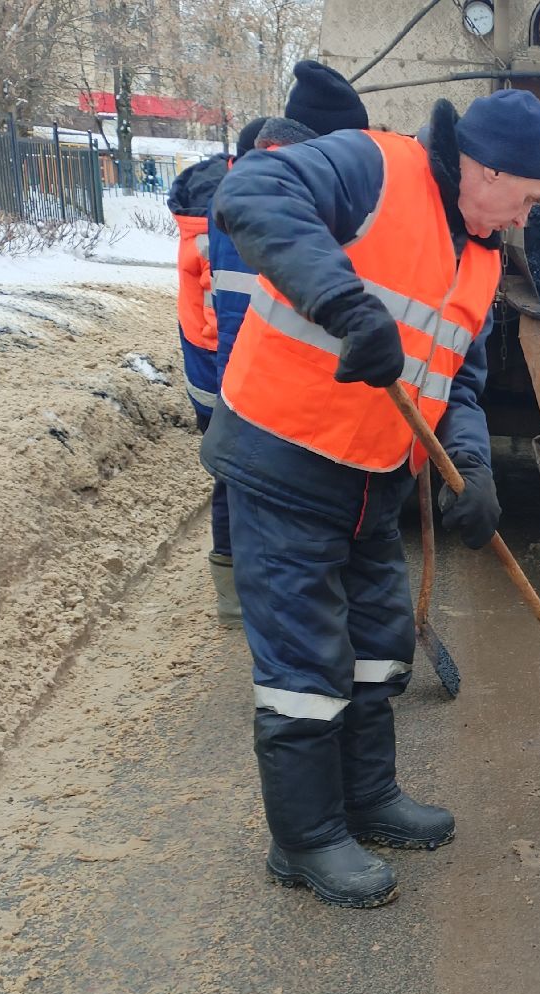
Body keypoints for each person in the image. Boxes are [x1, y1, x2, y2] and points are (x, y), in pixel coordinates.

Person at [203, 75, 540, 908]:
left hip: (373, 474)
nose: (525, 219)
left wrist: (467, 473)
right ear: (486, 169)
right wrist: (345, 304)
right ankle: (306, 839)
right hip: (287, 456)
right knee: (304, 659)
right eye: (526, 199)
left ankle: (368, 798)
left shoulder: (480, 254)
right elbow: (252, 189)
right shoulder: (375, 167)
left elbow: (458, 380)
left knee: (376, 642)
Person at [203, 116, 321, 624]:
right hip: (252, 362)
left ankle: (238, 593)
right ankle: (244, 595)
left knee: (237, 477)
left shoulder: (239, 190)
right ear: (280, 150)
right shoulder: (265, 196)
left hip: (233, 357)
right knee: (249, 478)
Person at [168, 121, 261, 625]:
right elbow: (229, 316)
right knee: (235, 476)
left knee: (229, 476)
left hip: (204, 362)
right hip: (220, 364)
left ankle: (232, 592)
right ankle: (233, 594)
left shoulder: (209, 205)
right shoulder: (228, 214)